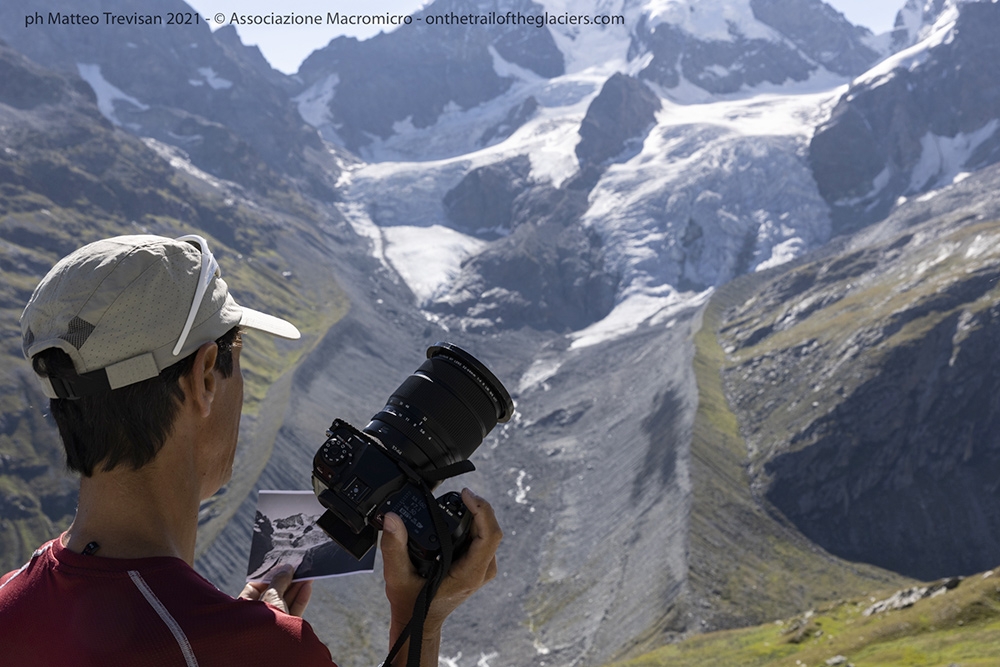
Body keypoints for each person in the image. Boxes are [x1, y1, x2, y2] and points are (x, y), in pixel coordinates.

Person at [0, 234, 502, 666]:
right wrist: (422, 620)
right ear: (203, 379)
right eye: (238, 358)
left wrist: (238, 628)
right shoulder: (261, 651)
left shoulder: (8, 604)